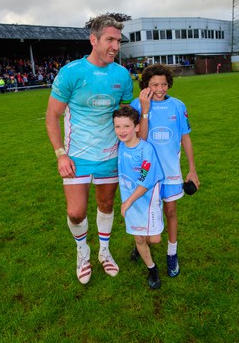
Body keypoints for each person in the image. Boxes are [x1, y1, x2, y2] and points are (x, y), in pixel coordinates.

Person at [45, 15, 133, 284]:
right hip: (77, 157)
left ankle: (104, 252)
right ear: (93, 40)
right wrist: (61, 154)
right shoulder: (71, 72)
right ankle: (82, 250)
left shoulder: (122, 75)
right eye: (110, 39)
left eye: (118, 40)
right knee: (76, 212)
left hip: (110, 155)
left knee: (106, 205)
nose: (115, 46)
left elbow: (127, 114)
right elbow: (52, 116)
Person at [131, 64, 200, 277]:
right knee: (144, 214)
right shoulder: (136, 105)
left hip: (170, 173)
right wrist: (144, 110)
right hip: (146, 173)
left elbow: (185, 138)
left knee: (170, 212)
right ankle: (141, 243)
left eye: (163, 84)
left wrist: (192, 169)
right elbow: (139, 139)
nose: (160, 88)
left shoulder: (178, 106)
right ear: (145, 86)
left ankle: (172, 253)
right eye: (154, 85)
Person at [113, 106, 164, 289]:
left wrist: (127, 202)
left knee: (155, 239)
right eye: (117, 126)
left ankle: (139, 244)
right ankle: (152, 268)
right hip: (131, 202)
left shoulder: (146, 150)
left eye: (126, 126)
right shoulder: (120, 146)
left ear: (136, 127)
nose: (121, 131)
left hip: (147, 198)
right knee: (141, 238)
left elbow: (145, 181)